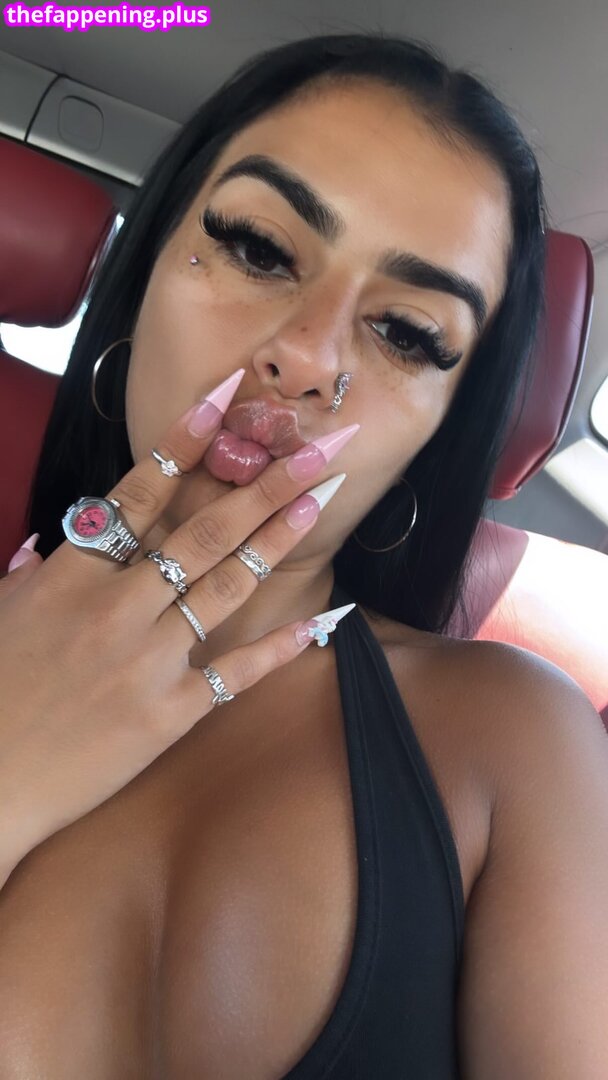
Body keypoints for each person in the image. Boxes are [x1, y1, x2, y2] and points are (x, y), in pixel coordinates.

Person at [1, 31, 607, 1079]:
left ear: (436, 433)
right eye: (258, 248)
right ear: (145, 275)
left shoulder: (516, 737)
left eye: (407, 334)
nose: (307, 356)